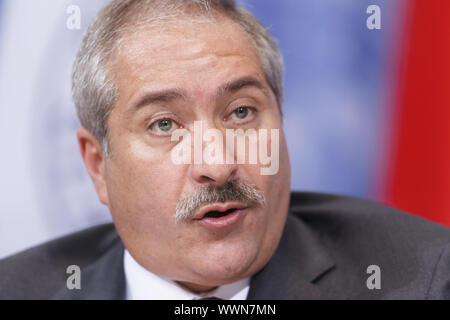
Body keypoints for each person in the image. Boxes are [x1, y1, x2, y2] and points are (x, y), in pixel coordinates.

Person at [1, 0, 449, 300]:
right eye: (164, 124)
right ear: (98, 166)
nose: (217, 165)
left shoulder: (424, 280)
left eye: (241, 113)